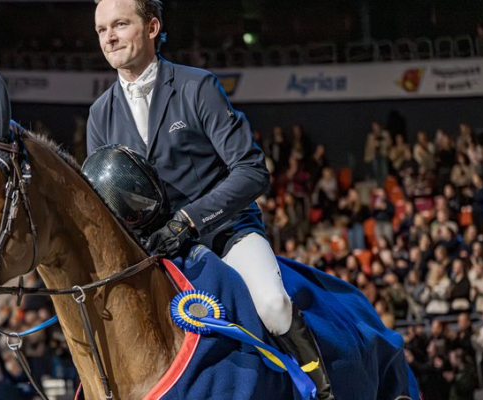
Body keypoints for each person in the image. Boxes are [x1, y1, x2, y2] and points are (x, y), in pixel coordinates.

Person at [86, 0, 332, 398]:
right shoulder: (100, 113)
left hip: (224, 231)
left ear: (151, 28)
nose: (109, 38)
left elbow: (252, 170)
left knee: (272, 304)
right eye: (101, 30)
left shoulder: (196, 86)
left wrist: (188, 220)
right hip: (152, 250)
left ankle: (323, 391)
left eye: (119, 25)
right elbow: (105, 204)